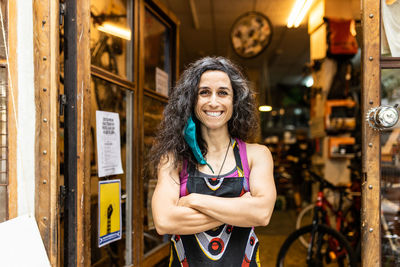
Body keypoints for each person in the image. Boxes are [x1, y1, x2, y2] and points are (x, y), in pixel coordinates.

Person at [150, 56, 276, 266]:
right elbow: (164, 221)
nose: (214, 102)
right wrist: (242, 210)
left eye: (223, 93)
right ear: (192, 100)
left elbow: (262, 214)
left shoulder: (256, 155)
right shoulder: (173, 158)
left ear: (234, 101)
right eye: (204, 92)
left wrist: (192, 201)